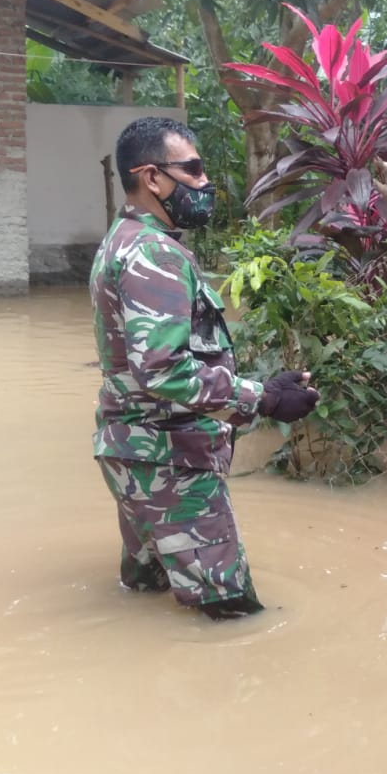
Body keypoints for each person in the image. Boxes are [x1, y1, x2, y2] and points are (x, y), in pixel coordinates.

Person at [90, 117, 320, 620]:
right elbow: (163, 370)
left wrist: (259, 389)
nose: (204, 182)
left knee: (145, 594)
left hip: (136, 453)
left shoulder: (122, 239)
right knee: (230, 616)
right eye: (191, 169)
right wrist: (262, 397)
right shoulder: (153, 252)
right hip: (170, 462)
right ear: (152, 177)